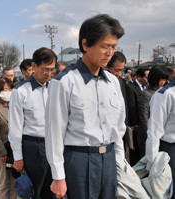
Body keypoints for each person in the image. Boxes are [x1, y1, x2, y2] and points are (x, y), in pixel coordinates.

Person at [45, 14, 126, 199]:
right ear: (85, 44)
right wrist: (58, 176)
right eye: (105, 46)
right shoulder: (64, 82)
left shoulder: (113, 82)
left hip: (109, 159)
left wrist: (120, 163)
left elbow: (119, 128)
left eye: (113, 47)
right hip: (80, 161)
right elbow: (54, 132)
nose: (110, 53)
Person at [9, 47, 57, 199]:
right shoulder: (20, 92)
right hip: (34, 148)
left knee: (54, 190)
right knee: (35, 191)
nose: (49, 74)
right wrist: (18, 156)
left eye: (52, 69)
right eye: (45, 69)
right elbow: (15, 127)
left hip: (55, 146)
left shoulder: (57, 88)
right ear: (34, 66)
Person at [145, 77, 175, 199]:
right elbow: (154, 130)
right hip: (169, 151)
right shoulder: (165, 94)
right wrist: (151, 163)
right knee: (167, 192)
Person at [137, 66, 168, 157]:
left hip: (161, 134)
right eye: (161, 79)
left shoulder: (164, 92)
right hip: (148, 135)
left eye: (164, 80)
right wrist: (151, 135)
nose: (163, 82)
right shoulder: (146, 94)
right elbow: (144, 117)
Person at [126, 67, 149, 165]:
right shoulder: (131, 87)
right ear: (139, 77)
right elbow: (131, 106)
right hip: (136, 125)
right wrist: (134, 123)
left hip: (144, 123)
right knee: (135, 149)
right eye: (146, 77)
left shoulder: (147, 87)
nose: (147, 79)